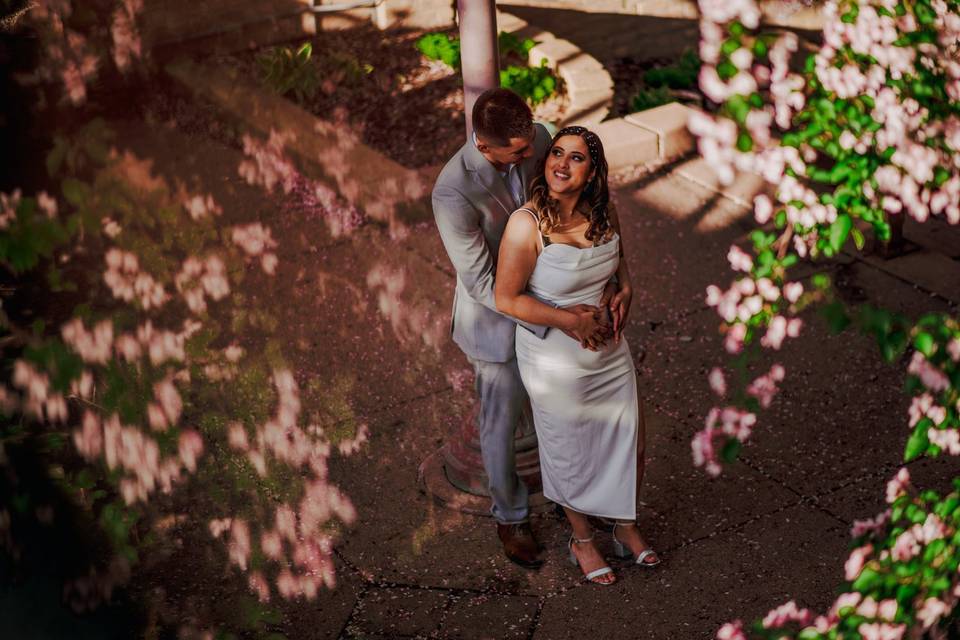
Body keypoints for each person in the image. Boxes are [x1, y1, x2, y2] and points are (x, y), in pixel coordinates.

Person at [432, 89, 611, 569]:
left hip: (554, 298)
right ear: (485, 146)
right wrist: (560, 318)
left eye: (531, 141)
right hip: (495, 321)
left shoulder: (538, 138)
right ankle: (510, 515)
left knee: (562, 409)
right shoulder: (452, 192)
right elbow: (482, 283)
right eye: (517, 151)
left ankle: (573, 496)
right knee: (501, 424)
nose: (533, 154)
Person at [494, 125, 659, 585]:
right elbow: (506, 298)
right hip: (554, 358)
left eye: (576, 158)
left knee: (632, 443)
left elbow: (619, 264)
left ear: (593, 173)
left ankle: (625, 528)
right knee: (569, 452)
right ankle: (582, 539)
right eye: (556, 154)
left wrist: (625, 288)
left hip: (608, 349)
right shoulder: (527, 224)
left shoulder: (604, 213)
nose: (561, 164)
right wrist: (572, 321)